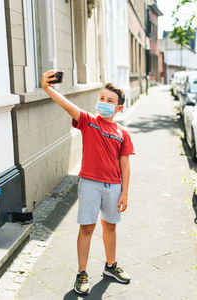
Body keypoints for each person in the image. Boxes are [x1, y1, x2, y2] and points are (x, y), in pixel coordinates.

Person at [42, 70, 134, 295]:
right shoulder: (88, 121)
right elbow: (67, 105)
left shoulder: (123, 133)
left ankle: (110, 266)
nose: (103, 103)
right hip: (90, 184)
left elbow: (125, 165)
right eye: (102, 98)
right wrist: (48, 88)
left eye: (110, 101)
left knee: (110, 227)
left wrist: (124, 193)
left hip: (113, 187)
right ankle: (82, 273)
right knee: (87, 228)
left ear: (119, 108)